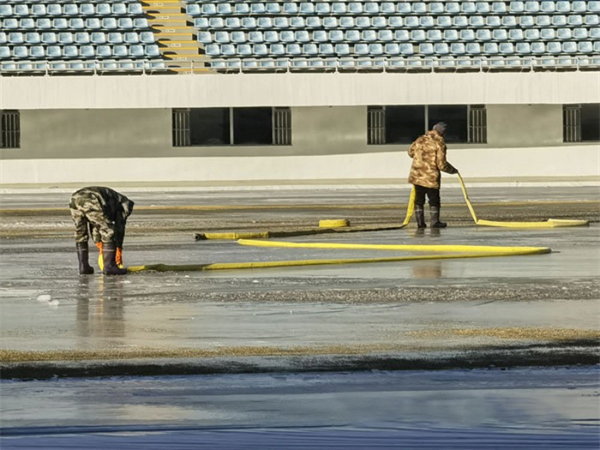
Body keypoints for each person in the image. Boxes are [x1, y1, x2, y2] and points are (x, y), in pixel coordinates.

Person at [69, 186, 134, 275]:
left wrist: (99, 243)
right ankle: (109, 266)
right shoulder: (125, 205)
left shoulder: (114, 199)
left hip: (75, 198)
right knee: (108, 231)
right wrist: (118, 247)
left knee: (80, 232)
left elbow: (95, 225)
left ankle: (83, 267)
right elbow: (119, 228)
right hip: (92, 198)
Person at [407, 122, 458, 229]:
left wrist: (420, 158)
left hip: (417, 175)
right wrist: (453, 170)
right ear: (442, 132)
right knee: (434, 199)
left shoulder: (420, 139)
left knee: (419, 199)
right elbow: (441, 164)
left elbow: (410, 152)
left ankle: (420, 223)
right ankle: (435, 222)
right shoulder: (439, 143)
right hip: (431, 177)